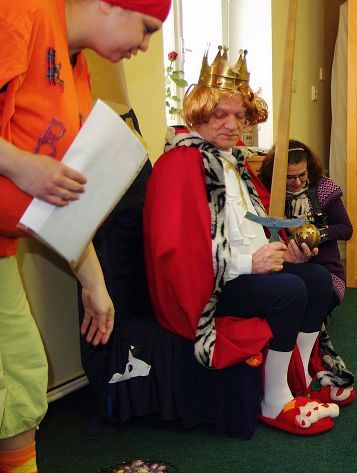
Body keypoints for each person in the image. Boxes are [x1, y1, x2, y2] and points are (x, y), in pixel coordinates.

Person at [0, 0, 172, 473]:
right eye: (146, 27)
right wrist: (20, 164)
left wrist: (95, 285)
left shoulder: (76, 67)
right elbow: (35, 172)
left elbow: (66, 196)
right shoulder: (20, 15)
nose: (145, 45)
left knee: (20, 366)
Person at [143, 46, 341, 441]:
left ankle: (299, 379)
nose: (232, 125)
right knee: (288, 291)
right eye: (221, 115)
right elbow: (178, 251)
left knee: (318, 280)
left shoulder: (233, 162)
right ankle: (274, 400)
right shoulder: (180, 165)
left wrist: (288, 249)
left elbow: (257, 226)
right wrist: (250, 264)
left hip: (247, 271)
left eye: (238, 115)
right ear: (199, 114)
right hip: (210, 286)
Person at [258, 140, 355, 403]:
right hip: (284, 268)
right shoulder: (264, 192)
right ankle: (286, 375)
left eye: (302, 175)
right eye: (290, 177)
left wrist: (313, 233)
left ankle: (297, 371)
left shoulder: (322, 188)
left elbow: (346, 229)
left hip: (326, 273)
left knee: (303, 304)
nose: (298, 182)